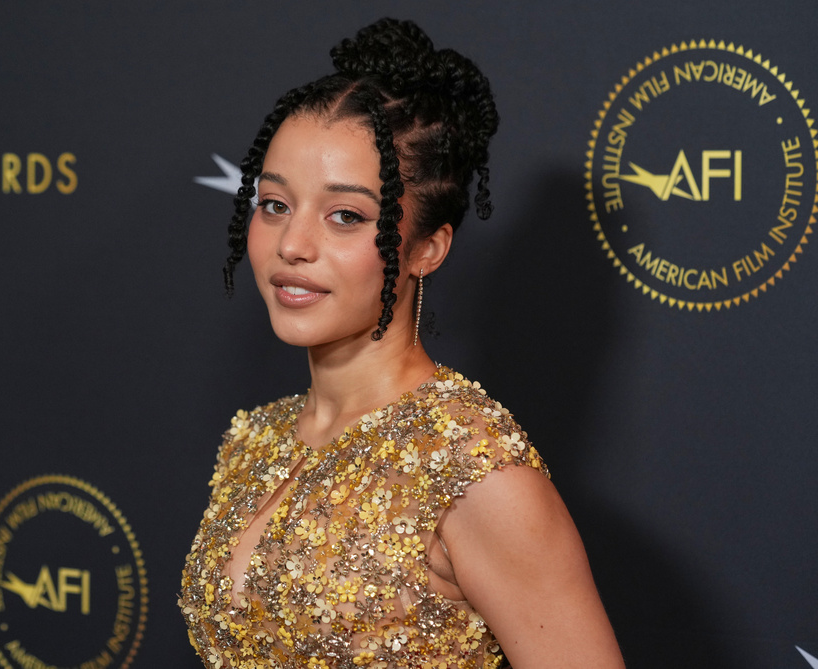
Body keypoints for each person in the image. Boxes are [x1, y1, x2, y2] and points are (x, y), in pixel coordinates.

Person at [179, 18, 624, 669]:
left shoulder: (474, 469)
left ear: (427, 247)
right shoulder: (256, 441)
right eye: (274, 204)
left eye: (345, 216)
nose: (293, 245)